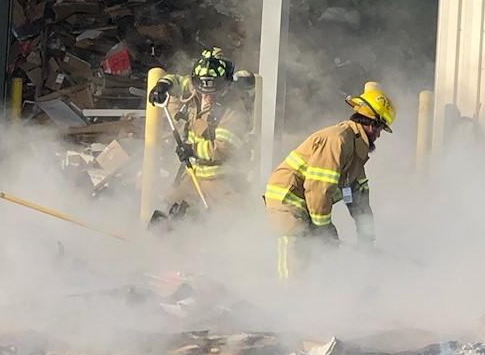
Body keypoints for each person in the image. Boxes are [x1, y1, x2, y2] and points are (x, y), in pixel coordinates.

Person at [264, 82, 393, 279]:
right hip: (288, 200)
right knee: (296, 252)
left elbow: (360, 201)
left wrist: (367, 240)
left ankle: (320, 300)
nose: (379, 136)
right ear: (370, 124)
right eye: (379, 129)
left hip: (311, 206)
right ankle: (287, 301)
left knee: (328, 255)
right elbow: (318, 189)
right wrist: (322, 229)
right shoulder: (337, 140)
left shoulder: (355, 155)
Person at [146, 47, 254, 218]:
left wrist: (193, 149)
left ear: (226, 86)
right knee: (168, 213)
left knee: (221, 224)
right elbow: (177, 80)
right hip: (193, 175)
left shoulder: (234, 111)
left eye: (214, 92)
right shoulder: (197, 86)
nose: (207, 96)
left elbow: (224, 148)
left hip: (222, 182)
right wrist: (163, 85)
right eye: (202, 91)